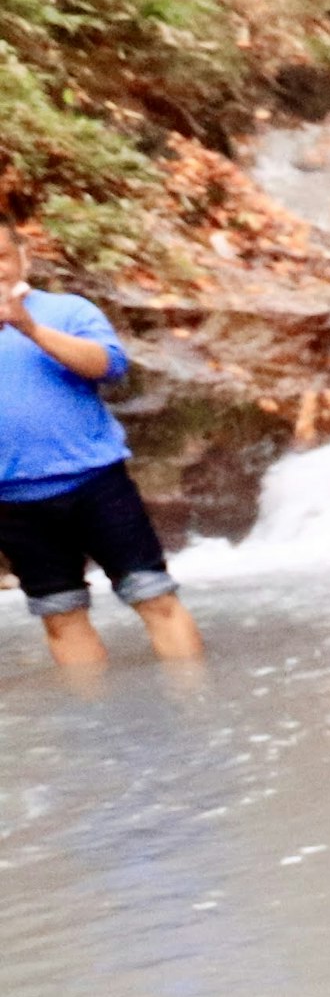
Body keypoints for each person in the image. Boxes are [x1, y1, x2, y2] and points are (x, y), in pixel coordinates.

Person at [0, 222, 200, 665]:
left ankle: (197, 707)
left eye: (0, 258)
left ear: (22, 259)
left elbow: (109, 366)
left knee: (155, 597)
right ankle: (91, 727)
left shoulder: (68, 310)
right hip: (12, 499)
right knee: (60, 615)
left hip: (97, 484)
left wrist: (29, 328)